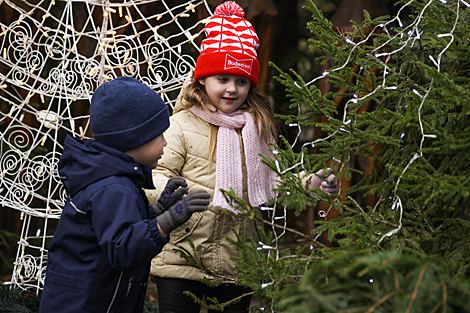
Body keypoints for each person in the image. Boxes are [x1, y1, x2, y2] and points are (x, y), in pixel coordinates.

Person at [145, 2, 337, 312]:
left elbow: (274, 182)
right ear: (202, 80)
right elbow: (156, 172)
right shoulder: (181, 123)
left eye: (242, 81)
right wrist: (170, 194)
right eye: (222, 79)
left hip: (238, 259)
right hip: (183, 254)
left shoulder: (257, 129)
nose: (232, 89)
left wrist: (309, 185)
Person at [38, 76, 210, 313]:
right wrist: (166, 222)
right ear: (132, 138)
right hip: (85, 306)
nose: (165, 143)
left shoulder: (116, 180)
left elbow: (122, 228)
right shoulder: (112, 187)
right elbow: (124, 249)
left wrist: (158, 211)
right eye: (158, 135)